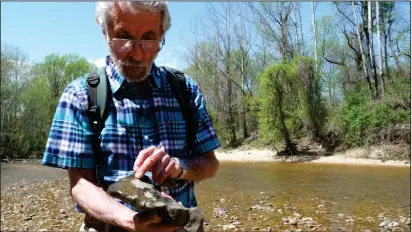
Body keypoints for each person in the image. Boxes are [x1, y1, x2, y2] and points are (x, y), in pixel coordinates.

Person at [41, 2, 221, 232]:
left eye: (148, 38)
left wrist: (179, 167)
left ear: (162, 34)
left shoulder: (185, 90)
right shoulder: (80, 96)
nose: (136, 54)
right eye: (123, 37)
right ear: (105, 32)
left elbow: (211, 164)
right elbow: (79, 185)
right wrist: (130, 221)